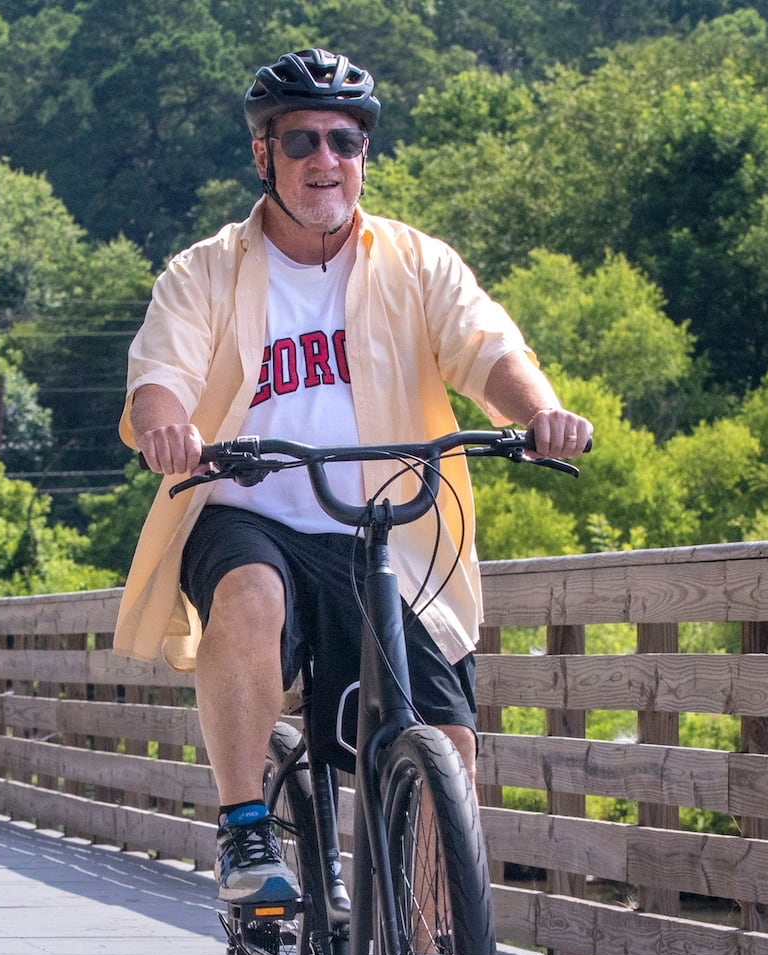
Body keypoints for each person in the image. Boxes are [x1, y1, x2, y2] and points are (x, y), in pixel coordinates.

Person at [117, 49, 594, 911]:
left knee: (444, 740)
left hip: (389, 532)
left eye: (344, 139)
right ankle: (246, 827)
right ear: (264, 155)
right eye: (300, 140)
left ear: (363, 153)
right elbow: (163, 372)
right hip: (245, 508)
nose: (323, 160)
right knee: (251, 594)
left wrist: (537, 413)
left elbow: (486, 347)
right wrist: (165, 430)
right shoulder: (206, 272)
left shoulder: (417, 264)